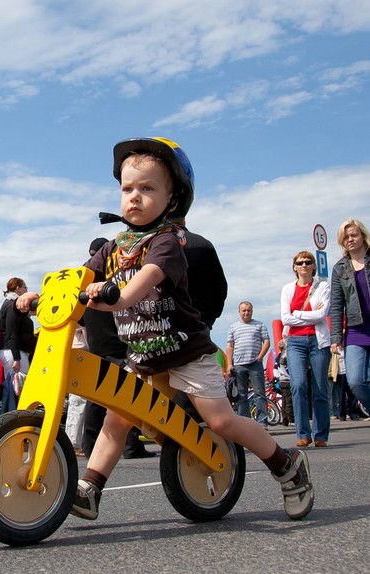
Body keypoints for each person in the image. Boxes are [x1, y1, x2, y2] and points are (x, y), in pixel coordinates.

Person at [20, 137, 313, 522]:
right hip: (143, 355)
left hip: (185, 351)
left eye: (147, 188)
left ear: (172, 198)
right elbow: (79, 277)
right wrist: (43, 295)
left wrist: (118, 296)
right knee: (116, 416)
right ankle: (90, 487)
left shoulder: (166, 243)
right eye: (127, 189)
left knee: (221, 421)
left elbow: (147, 278)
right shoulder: (112, 247)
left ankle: (287, 465)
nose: (134, 197)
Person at [81, 238, 155, 459]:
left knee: (95, 398)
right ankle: (132, 447)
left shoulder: (84, 282)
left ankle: (90, 445)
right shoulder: (111, 281)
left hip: (96, 345)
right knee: (126, 395)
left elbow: (82, 321)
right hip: (116, 344)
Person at [281, 250, 331, 447]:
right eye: (300, 263)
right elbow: (285, 318)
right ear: (294, 267)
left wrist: (297, 314)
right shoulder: (287, 289)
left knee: (319, 388)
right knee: (298, 385)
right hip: (295, 342)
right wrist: (309, 313)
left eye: (308, 262)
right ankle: (303, 433)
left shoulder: (322, 286)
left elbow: (322, 314)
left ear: (313, 266)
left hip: (318, 341)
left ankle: (320, 435)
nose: (304, 265)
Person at [329, 218, 370, 417]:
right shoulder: (340, 268)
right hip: (356, 329)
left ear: (363, 236)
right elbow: (336, 305)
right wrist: (336, 338)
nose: (350, 240)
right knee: (355, 381)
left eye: (354, 235)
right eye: (346, 237)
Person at [225, 301, 271, 426]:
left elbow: (266, 342)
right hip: (239, 365)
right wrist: (229, 364)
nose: (246, 312)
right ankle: (245, 423)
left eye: (248, 310)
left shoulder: (259, 325)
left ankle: (262, 421)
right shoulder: (233, 327)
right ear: (239, 312)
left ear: (252, 311)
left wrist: (260, 357)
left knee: (259, 393)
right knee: (241, 395)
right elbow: (230, 346)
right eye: (244, 310)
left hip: (255, 364)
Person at [0, 277, 35, 414]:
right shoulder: (12, 305)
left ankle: (11, 415)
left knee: (14, 387)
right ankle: (13, 415)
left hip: (12, 350)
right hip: (13, 351)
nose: (26, 291)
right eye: (25, 288)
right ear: (17, 288)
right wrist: (17, 358)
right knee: (18, 387)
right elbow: (11, 333)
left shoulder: (13, 305)